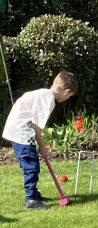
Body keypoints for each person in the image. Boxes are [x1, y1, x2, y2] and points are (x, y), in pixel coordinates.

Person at [2, 71, 78, 210]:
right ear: (66, 91)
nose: (67, 99)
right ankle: (31, 200)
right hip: (21, 132)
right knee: (31, 166)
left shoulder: (43, 93)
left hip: (19, 129)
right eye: (69, 96)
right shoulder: (48, 100)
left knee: (30, 164)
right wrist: (42, 145)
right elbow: (36, 125)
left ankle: (34, 195)